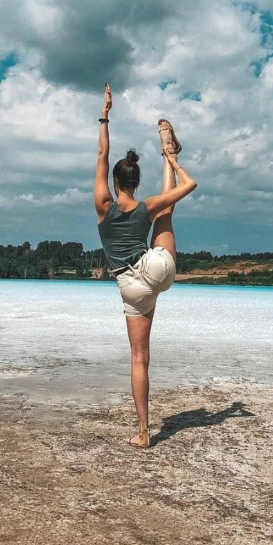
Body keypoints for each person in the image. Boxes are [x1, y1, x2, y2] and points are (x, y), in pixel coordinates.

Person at [94, 82, 198, 448]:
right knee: (166, 211)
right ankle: (167, 152)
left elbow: (103, 153)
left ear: (115, 182)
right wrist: (174, 163)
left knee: (140, 358)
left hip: (131, 286)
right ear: (136, 182)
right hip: (159, 269)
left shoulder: (103, 205)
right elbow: (192, 185)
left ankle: (143, 434)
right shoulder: (145, 205)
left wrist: (105, 112)